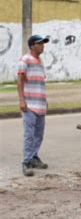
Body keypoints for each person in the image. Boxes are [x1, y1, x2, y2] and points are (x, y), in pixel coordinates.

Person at [17, 34, 50, 177]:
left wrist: (45, 102)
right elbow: (20, 81)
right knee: (29, 135)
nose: (42, 45)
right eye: (39, 43)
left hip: (40, 105)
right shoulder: (25, 60)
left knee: (38, 135)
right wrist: (21, 100)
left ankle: (34, 157)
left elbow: (41, 84)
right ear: (32, 46)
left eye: (43, 43)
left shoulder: (40, 61)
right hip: (29, 105)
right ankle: (26, 161)